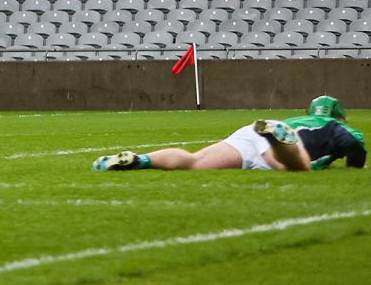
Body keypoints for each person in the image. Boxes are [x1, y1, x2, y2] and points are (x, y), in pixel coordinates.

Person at [92, 94, 366, 172]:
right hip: (279, 146)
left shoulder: (297, 117)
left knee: (195, 161)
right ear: (339, 116)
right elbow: (354, 145)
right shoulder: (339, 127)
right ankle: (281, 141)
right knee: (301, 167)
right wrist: (355, 167)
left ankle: (141, 160)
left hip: (250, 133)